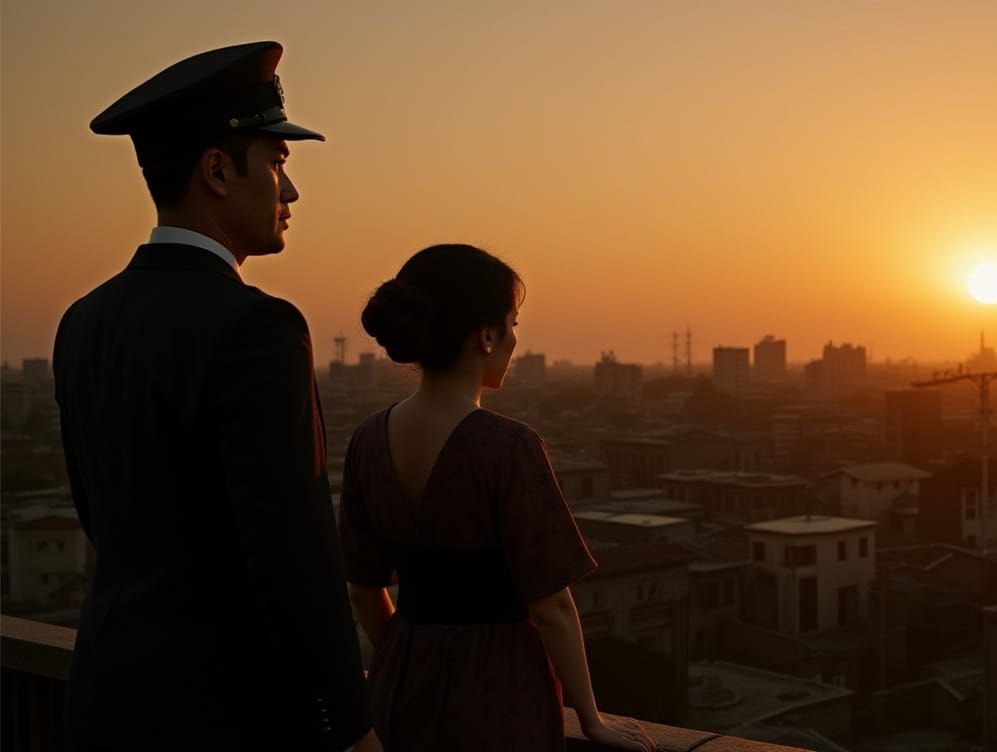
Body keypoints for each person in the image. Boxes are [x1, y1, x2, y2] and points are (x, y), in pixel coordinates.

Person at [54, 42, 378, 750]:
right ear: (216, 171)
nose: (290, 193)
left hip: (106, 699)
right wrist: (348, 726)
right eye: (277, 164)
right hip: (226, 713)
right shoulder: (259, 328)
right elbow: (295, 557)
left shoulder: (84, 321)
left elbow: (99, 513)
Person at [341, 245, 656, 752]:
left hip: (399, 687)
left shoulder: (367, 439)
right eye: (512, 323)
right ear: (486, 336)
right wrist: (592, 720)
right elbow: (552, 605)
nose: (514, 338)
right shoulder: (508, 446)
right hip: (500, 689)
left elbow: (362, 591)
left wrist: (410, 655)